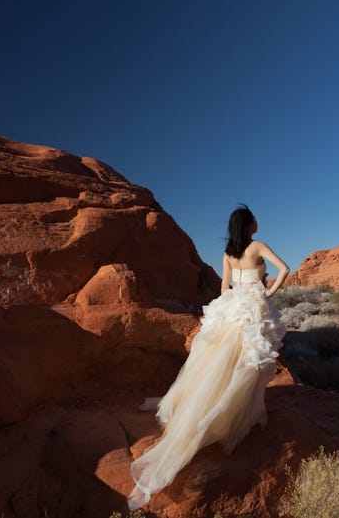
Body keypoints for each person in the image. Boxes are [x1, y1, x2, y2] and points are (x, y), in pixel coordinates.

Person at [128, 205, 289, 510]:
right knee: (247, 364)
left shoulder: (229, 251)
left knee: (222, 363)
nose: (258, 220)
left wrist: (233, 300)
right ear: (249, 223)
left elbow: (224, 285)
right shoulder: (258, 246)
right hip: (253, 307)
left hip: (233, 306)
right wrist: (268, 293)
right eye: (255, 217)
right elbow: (285, 270)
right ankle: (237, 416)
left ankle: (219, 411)